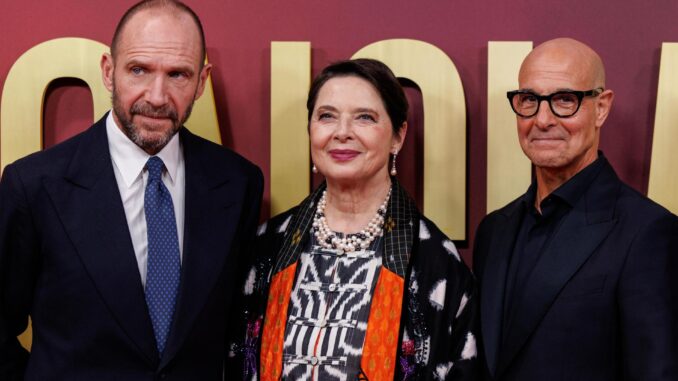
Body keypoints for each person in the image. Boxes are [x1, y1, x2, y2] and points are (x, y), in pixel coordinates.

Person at [0, 1, 263, 379]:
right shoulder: (34, 186)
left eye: (178, 75)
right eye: (139, 70)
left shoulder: (238, 184)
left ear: (202, 81)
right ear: (109, 72)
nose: (156, 97)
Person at [227, 59, 478, 381]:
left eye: (364, 118)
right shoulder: (266, 247)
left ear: (398, 136)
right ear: (310, 130)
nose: (342, 132)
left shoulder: (434, 260)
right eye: (327, 116)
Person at [473, 37, 678, 381]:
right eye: (529, 100)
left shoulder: (648, 231)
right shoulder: (494, 229)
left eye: (564, 100)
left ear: (601, 107)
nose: (542, 120)